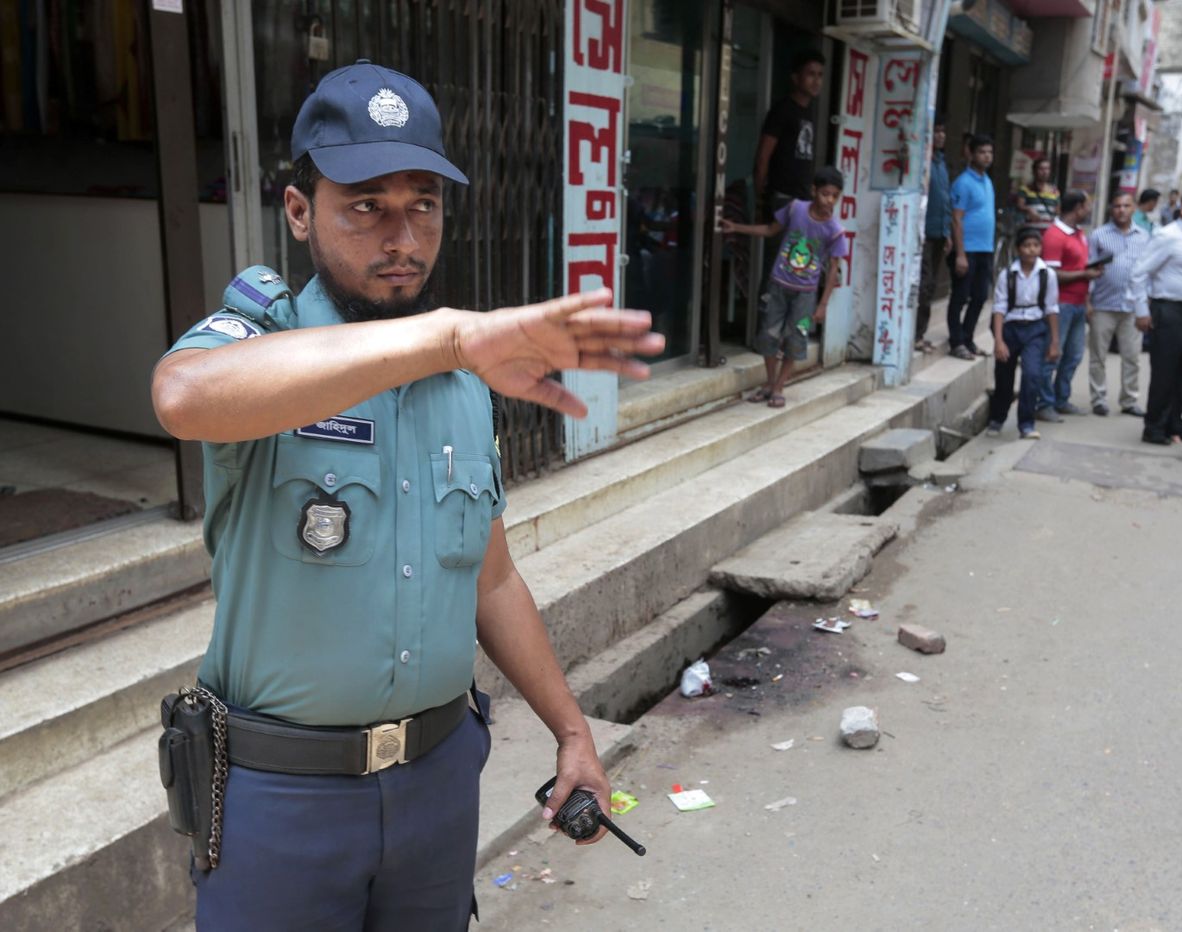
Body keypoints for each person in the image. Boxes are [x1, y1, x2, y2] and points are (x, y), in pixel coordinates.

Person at [148, 62, 664, 929]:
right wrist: (447, 336)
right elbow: (183, 397)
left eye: (423, 205)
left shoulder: (464, 384)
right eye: (366, 206)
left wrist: (572, 730)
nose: (402, 236)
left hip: (437, 784)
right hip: (282, 801)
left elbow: (491, 578)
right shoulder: (264, 340)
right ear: (299, 211)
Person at [722, 166, 849, 409]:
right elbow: (770, 229)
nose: (829, 200)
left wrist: (823, 304)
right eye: (825, 194)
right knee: (767, 335)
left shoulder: (835, 231)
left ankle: (779, 386)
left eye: (835, 195)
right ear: (814, 191)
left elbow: (834, 270)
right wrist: (736, 228)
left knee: (795, 340)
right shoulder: (795, 209)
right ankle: (770, 383)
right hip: (778, 286)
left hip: (806, 295)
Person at [1129, 187, 1182, 445]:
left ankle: (1174, 424)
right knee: (1165, 373)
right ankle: (1154, 427)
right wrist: (1141, 311)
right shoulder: (1168, 236)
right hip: (1169, 311)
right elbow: (1139, 273)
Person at [987, 227, 1061, 440]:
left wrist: (1054, 341)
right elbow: (999, 308)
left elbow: (1051, 309)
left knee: (1032, 375)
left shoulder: (1047, 275)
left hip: (1035, 329)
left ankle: (1026, 424)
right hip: (1011, 328)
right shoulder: (1007, 275)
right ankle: (998, 418)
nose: (1031, 250)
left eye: (1036, 245)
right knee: (1004, 376)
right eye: (1027, 246)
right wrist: (999, 340)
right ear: (1018, 249)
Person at [1037, 189, 1103, 420]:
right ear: (1078, 208)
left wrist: (1086, 300)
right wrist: (1084, 274)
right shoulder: (1054, 235)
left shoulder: (1079, 233)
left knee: (1073, 356)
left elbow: (1080, 266)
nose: (1089, 209)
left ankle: (1060, 399)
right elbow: (1051, 274)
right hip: (1059, 305)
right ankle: (1043, 404)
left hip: (1077, 304)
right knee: (1052, 355)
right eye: (1087, 205)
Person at [1086, 190, 1151, 417]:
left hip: (1132, 307)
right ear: (1111, 209)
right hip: (1103, 304)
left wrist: (1146, 305)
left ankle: (1129, 400)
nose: (1121, 210)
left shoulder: (1144, 236)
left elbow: (1148, 271)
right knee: (1098, 357)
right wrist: (1087, 301)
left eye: (1126, 206)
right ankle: (1098, 399)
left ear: (1134, 208)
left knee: (1132, 357)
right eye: (1117, 206)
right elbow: (1089, 269)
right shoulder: (1098, 235)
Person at [947, 133, 997, 360]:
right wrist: (960, 254)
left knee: (980, 297)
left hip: (985, 249)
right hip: (967, 249)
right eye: (982, 152)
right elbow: (956, 219)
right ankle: (956, 341)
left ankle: (967, 338)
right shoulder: (963, 183)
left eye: (990, 152)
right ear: (971, 154)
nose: (987, 156)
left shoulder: (987, 181)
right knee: (960, 296)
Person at [756, 50, 824, 218]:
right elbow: (763, 155)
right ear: (795, 78)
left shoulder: (810, 112)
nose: (816, 81)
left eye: (820, 75)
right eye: (811, 74)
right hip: (783, 197)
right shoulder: (783, 110)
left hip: (803, 199)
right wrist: (759, 197)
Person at [916, 122, 952, 353]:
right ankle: (915, 334)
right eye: (936, 131)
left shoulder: (941, 163)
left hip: (939, 232)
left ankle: (920, 332)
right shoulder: (922, 161)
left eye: (942, 131)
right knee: (924, 283)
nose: (940, 135)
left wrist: (947, 232)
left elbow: (945, 200)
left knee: (930, 285)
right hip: (924, 233)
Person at [1014, 157, 1060, 233]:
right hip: (1030, 231)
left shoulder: (1054, 191)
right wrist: (1028, 209)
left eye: (1047, 169)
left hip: (1049, 231)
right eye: (1041, 169)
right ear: (1034, 171)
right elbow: (1019, 206)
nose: (1044, 172)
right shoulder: (1025, 189)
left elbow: (1058, 211)